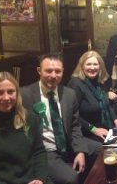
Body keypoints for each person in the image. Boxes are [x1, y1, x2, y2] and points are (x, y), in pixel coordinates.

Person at [21, 54, 102, 184]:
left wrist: (80, 150)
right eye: (48, 70)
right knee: (70, 178)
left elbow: (75, 125)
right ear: (39, 71)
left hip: (68, 142)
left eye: (58, 71)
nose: (53, 75)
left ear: (63, 71)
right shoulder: (24, 95)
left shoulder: (69, 94)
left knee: (101, 150)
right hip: (47, 150)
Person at [0, 72, 52, 184]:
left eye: (10, 92)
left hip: (33, 179)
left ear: (17, 93)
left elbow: (39, 151)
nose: (6, 97)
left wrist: (40, 178)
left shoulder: (30, 118)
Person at [67, 51, 117, 141]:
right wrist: (94, 130)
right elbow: (71, 115)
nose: (92, 68)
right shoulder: (75, 84)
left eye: (95, 64)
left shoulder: (99, 82)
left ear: (100, 66)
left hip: (106, 129)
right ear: (82, 66)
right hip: (87, 133)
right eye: (88, 64)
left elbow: (106, 105)